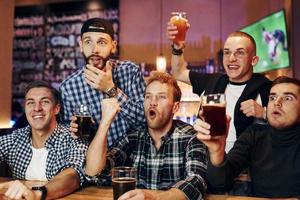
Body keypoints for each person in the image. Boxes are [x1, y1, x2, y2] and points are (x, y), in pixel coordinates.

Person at [84, 72, 207, 200]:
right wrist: (105, 123)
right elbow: (94, 173)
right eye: (148, 97)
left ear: (175, 107)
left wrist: (153, 198)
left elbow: (196, 182)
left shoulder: (191, 138)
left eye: (161, 97)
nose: (152, 102)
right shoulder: (133, 137)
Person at [167, 23, 271, 152]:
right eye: (227, 53)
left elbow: (291, 121)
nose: (231, 59)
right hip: (207, 163)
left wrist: (264, 113)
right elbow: (178, 72)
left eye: (239, 53)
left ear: (253, 60)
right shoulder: (213, 81)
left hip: (248, 167)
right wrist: (177, 47)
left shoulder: (266, 87)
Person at [196, 76, 300, 198]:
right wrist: (217, 151)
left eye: (288, 98)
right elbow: (220, 182)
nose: (277, 103)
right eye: (272, 97)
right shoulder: (254, 134)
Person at [59, 18, 146, 146]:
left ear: (113, 46)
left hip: (133, 158)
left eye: (102, 42)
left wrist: (110, 89)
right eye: (88, 42)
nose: (95, 49)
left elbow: (145, 120)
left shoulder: (130, 71)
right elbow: (69, 141)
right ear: (81, 46)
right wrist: (72, 132)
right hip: (95, 161)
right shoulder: (68, 87)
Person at [0, 81, 88, 200]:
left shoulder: (73, 137)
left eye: (45, 102)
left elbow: (73, 176)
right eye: (30, 103)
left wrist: (37, 194)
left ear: (56, 108)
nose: (37, 108)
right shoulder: (15, 139)